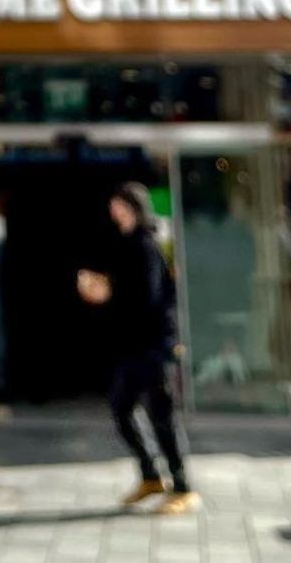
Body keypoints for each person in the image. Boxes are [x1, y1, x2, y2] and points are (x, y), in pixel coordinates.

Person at [77, 182, 198, 515]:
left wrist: (106, 292)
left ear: (133, 208)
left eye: (119, 204)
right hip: (130, 346)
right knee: (121, 409)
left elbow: (146, 297)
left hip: (153, 346)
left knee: (162, 416)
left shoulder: (145, 245)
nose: (114, 210)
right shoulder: (124, 243)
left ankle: (183, 486)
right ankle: (150, 476)